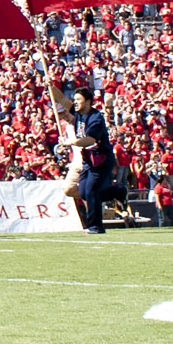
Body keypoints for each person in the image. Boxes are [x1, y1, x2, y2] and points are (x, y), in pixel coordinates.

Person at [73, 85, 120, 235]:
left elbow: (90, 140)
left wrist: (70, 142)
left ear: (87, 102)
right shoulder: (78, 113)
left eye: (78, 100)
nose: (75, 102)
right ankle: (117, 192)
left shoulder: (96, 119)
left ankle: (95, 226)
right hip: (88, 159)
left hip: (101, 158)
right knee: (83, 192)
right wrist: (51, 86)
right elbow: (60, 99)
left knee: (91, 190)